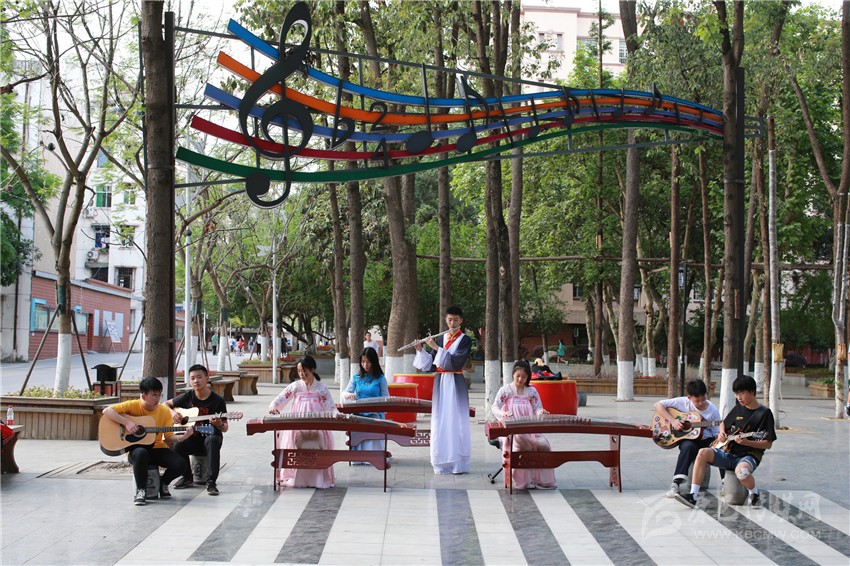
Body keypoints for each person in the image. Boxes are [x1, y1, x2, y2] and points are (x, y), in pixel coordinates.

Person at [675, 375, 777, 508]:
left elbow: (768, 444)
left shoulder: (765, 414)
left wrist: (747, 442)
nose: (739, 397)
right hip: (729, 452)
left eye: (742, 393)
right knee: (703, 453)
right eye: (736, 394)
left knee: (742, 473)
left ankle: (754, 493)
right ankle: (693, 496)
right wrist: (722, 432)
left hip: (749, 456)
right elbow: (724, 423)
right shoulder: (738, 408)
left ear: (752, 392)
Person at [103, 377, 188, 506]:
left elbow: (168, 437)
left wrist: (182, 437)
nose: (157, 399)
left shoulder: (164, 411)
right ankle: (141, 490)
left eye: (159, 395)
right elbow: (107, 411)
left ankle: (163, 483)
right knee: (141, 453)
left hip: (157, 449)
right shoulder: (132, 405)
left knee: (181, 464)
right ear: (143, 395)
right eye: (153, 395)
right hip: (136, 450)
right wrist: (127, 423)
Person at [413, 305, 472, 475]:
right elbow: (432, 364)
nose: (452, 323)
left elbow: (455, 362)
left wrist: (436, 348)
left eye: (455, 320)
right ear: (446, 320)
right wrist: (421, 350)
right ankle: (441, 462)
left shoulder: (465, 340)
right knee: (440, 420)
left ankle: (458, 463)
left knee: (457, 420)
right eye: (449, 320)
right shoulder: (441, 338)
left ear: (461, 321)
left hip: (456, 382)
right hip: (440, 383)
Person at [268, 355, 338, 488]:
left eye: (304, 371)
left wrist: (336, 414)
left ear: (313, 369)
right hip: (298, 425)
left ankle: (318, 479)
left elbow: (330, 406)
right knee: (298, 446)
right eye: (299, 371)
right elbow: (281, 399)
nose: (301, 374)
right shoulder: (296, 386)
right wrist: (274, 407)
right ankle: (299, 478)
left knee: (318, 446)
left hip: (317, 425)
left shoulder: (321, 388)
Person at [491, 359, 557, 490]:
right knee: (522, 446)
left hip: (529, 429)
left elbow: (537, 408)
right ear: (513, 374)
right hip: (511, 430)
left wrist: (541, 412)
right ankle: (522, 481)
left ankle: (540, 480)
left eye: (524, 377)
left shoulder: (531, 392)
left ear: (528, 377)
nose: (520, 379)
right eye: (518, 376)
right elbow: (495, 407)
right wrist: (503, 414)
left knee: (543, 445)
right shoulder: (506, 390)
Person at [165, 364, 228, 495]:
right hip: (191, 438)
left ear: (207, 378)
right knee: (177, 444)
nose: (196, 381)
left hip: (210, 439)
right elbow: (165, 404)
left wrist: (219, 424)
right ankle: (187, 477)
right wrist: (173, 413)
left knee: (212, 440)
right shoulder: (188, 396)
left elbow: (225, 427)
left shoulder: (217, 400)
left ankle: (211, 482)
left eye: (199, 377)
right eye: (192, 378)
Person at [653, 379, 721, 498]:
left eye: (703, 399)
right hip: (689, 439)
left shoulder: (713, 411)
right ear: (689, 398)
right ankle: (675, 484)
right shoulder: (683, 402)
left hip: (706, 440)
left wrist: (721, 436)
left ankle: (725, 482)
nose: (701, 403)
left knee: (721, 447)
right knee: (688, 447)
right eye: (697, 401)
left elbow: (716, 433)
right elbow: (657, 405)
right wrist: (673, 421)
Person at [342, 347, 389, 464]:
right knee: (354, 423)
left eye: (368, 362)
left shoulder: (380, 379)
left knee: (372, 423)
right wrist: (349, 395)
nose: (365, 365)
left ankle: (373, 457)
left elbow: (386, 398)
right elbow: (345, 392)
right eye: (363, 362)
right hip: (359, 413)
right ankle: (358, 458)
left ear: (374, 362)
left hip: (374, 414)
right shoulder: (356, 378)